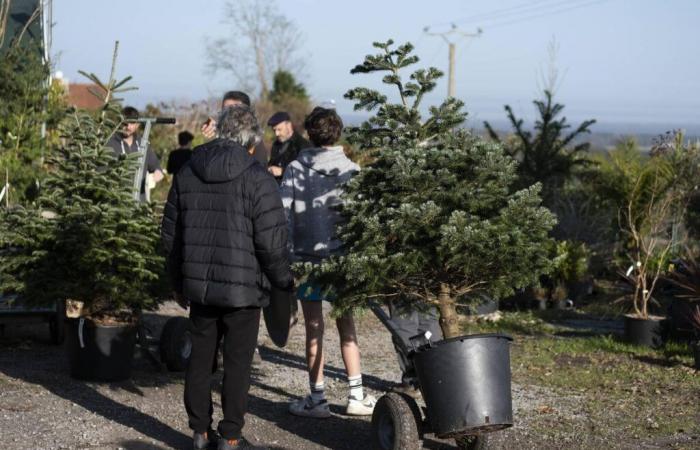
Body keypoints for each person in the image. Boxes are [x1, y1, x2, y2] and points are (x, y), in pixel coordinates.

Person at [162, 105, 293, 450]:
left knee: (200, 359)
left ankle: (199, 433)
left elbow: (171, 237)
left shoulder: (188, 172)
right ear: (251, 142)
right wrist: (283, 282)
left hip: (201, 288)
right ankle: (231, 437)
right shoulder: (258, 178)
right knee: (237, 364)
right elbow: (272, 243)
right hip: (244, 292)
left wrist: (176, 282)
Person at [280, 107, 375, 418]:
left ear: (309, 133)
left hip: (307, 261)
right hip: (344, 260)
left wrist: (289, 254)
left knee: (313, 328)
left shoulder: (295, 168)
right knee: (347, 326)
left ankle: (317, 399)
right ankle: (356, 396)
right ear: (339, 133)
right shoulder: (353, 171)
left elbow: (284, 214)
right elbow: (363, 221)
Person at [106, 106, 164, 201]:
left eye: (132, 123)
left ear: (137, 125)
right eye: (125, 123)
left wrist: (155, 176)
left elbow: (157, 168)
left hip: (139, 202)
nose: (128, 127)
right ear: (119, 123)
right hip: (116, 202)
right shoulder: (110, 144)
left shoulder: (143, 144)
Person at [201, 91, 269, 166]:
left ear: (247, 114)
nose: (229, 115)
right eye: (225, 111)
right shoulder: (220, 133)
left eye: (234, 111)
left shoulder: (254, 143)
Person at [267, 111, 311, 183]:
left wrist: (282, 171)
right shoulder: (276, 144)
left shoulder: (302, 145)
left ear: (288, 125)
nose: (276, 134)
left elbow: (305, 171)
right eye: (274, 130)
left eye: (279, 129)